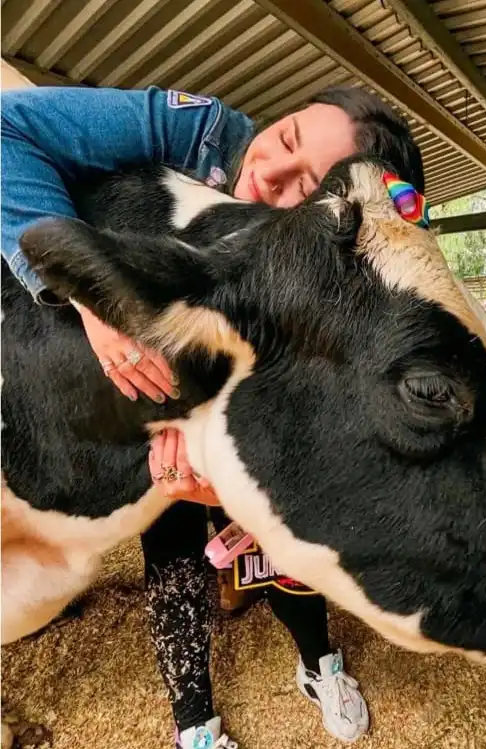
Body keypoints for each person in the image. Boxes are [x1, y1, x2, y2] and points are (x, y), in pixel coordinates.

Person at [2, 84, 424, 748]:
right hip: (138, 387)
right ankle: (194, 717)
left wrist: (227, 481)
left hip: (237, 415)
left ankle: (319, 664)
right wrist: (85, 297)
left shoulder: (327, 285)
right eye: (284, 139)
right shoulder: (197, 130)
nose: (266, 174)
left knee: (280, 543)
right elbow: (4, 131)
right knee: (171, 548)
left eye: (304, 187)